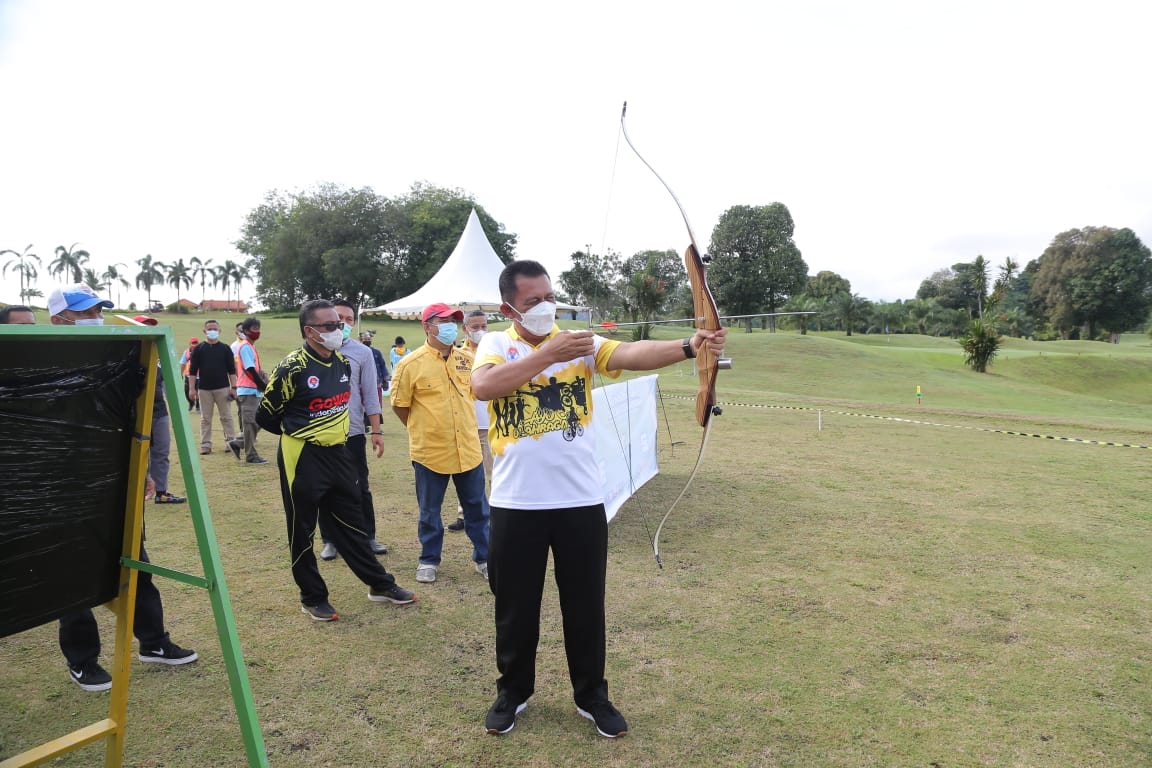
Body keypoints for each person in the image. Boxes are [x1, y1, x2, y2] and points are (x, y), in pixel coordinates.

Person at [470, 260, 727, 737]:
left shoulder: (579, 343)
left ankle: (592, 694)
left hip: (580, 501)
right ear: (510, 308)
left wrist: (689, 346)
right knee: (515, 605)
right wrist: (548, 356)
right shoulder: (496, 343)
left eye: (549, 296)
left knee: (585, 604)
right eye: (533, 302)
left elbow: (631, 353)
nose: (546, 307)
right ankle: (513, 691)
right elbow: (483, 386)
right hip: (516, 502)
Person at [40, 285, 198, 690]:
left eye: (97, 309)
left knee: (135, 561)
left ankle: (154, 642)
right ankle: (82, 660)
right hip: (61, 488)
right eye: (84, 312)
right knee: (73, 572)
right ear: (58, 320)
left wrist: (139, 469)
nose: (95, 317)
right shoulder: (39, 366)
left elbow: (127, 423)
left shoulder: (109, 362)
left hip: (114, 481)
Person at [256, 299, 415, 621]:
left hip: (340, 453)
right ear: (309, 331)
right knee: (302, 529)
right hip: (302, 455)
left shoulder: (342, 363)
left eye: (340, 325)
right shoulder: (292, 367)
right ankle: (312, 597)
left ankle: (379, 584)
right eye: (329, 326)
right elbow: (266, 416)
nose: (338, 330)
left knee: (352, 522)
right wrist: (302, 432)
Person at [390, 303, 490, 584]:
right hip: (430, 451)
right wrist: (425, 428)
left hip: (468, 449)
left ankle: (485, 557)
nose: (450, 326)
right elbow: (400, 406)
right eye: (443, 321)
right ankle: (428, 560)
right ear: (427, 326)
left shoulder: (467, 360)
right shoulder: (410, 364)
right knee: (430, 511)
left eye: (453, 321)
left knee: (478, 508)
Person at [318, 300, 388, 560]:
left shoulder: (362, 353)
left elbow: (371, 394)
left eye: (349, 319)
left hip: (354, 431)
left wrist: (377, 431)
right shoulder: (317, 349)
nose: (344, 324)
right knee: (325, 487)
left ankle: (367, 536)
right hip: (322, 433)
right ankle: (330, 539)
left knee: (360, 486)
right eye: (339, 318)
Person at [131, 315, 189, 505]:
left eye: (151, 328)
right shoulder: (130, 358)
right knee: (136, 454)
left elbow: (169, 387)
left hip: (159, 412)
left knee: (161, 452)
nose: (149, 331)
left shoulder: (159, 359)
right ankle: (136, 491)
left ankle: (161, 492)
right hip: (136, 414)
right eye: (144, 327)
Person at [447, 310, 493, 532]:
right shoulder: (457, 355)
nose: (480, 330)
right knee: (465, 470)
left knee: (493, 470)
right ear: (465, 329)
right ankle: (463, 513)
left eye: (484, 325)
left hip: (490, 422)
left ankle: (495, 510)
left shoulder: (495, 352)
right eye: (475, 327)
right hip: (464, 423)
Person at [188, 319, 240, 458]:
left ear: (219, 331)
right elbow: (192, 371)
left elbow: (231, 370)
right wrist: (191, 389)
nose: (212, 331)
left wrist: (234, 387)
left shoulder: (225, 348)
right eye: (210, 329)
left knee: (226, 417)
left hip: (223, 388)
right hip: (204, 389)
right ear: (204, 331)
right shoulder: (198, 349)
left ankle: (231, 442)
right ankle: (205, 445)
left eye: (215, 329)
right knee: (205, 418)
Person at [234, 317, 269, 465]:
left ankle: (238, 443)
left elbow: (254, 369)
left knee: (259, 421)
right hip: (248, 390)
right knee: (251, 422)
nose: (257, 331)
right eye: (254, 329)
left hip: (253, 390)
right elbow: (249, 370)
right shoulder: (246, 346)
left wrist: (262, 375)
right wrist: (262, 384)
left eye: (258, 328)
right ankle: (251, 455)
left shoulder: (251, 346)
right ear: (246, 331)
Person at [360, 330, 390, 399]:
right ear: (361, 340)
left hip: (377, 383)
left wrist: (385, 379)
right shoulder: (358, 353)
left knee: (377, 404)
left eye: (369, 339)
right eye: (365, 339)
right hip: (362, 384)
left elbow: (382, 366)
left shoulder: (377, 352)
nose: (367, 341)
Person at [178, 336, 200, 412]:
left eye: (196, 343)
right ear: (190, 344)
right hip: (188, 375)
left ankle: (198, 406)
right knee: (187, 392)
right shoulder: (186, 352)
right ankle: (191, 403)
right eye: (193, 343)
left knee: (198, 392)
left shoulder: (201, 352)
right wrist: (180, 374)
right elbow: (183, 363)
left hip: (199, 376)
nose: (194, 345)